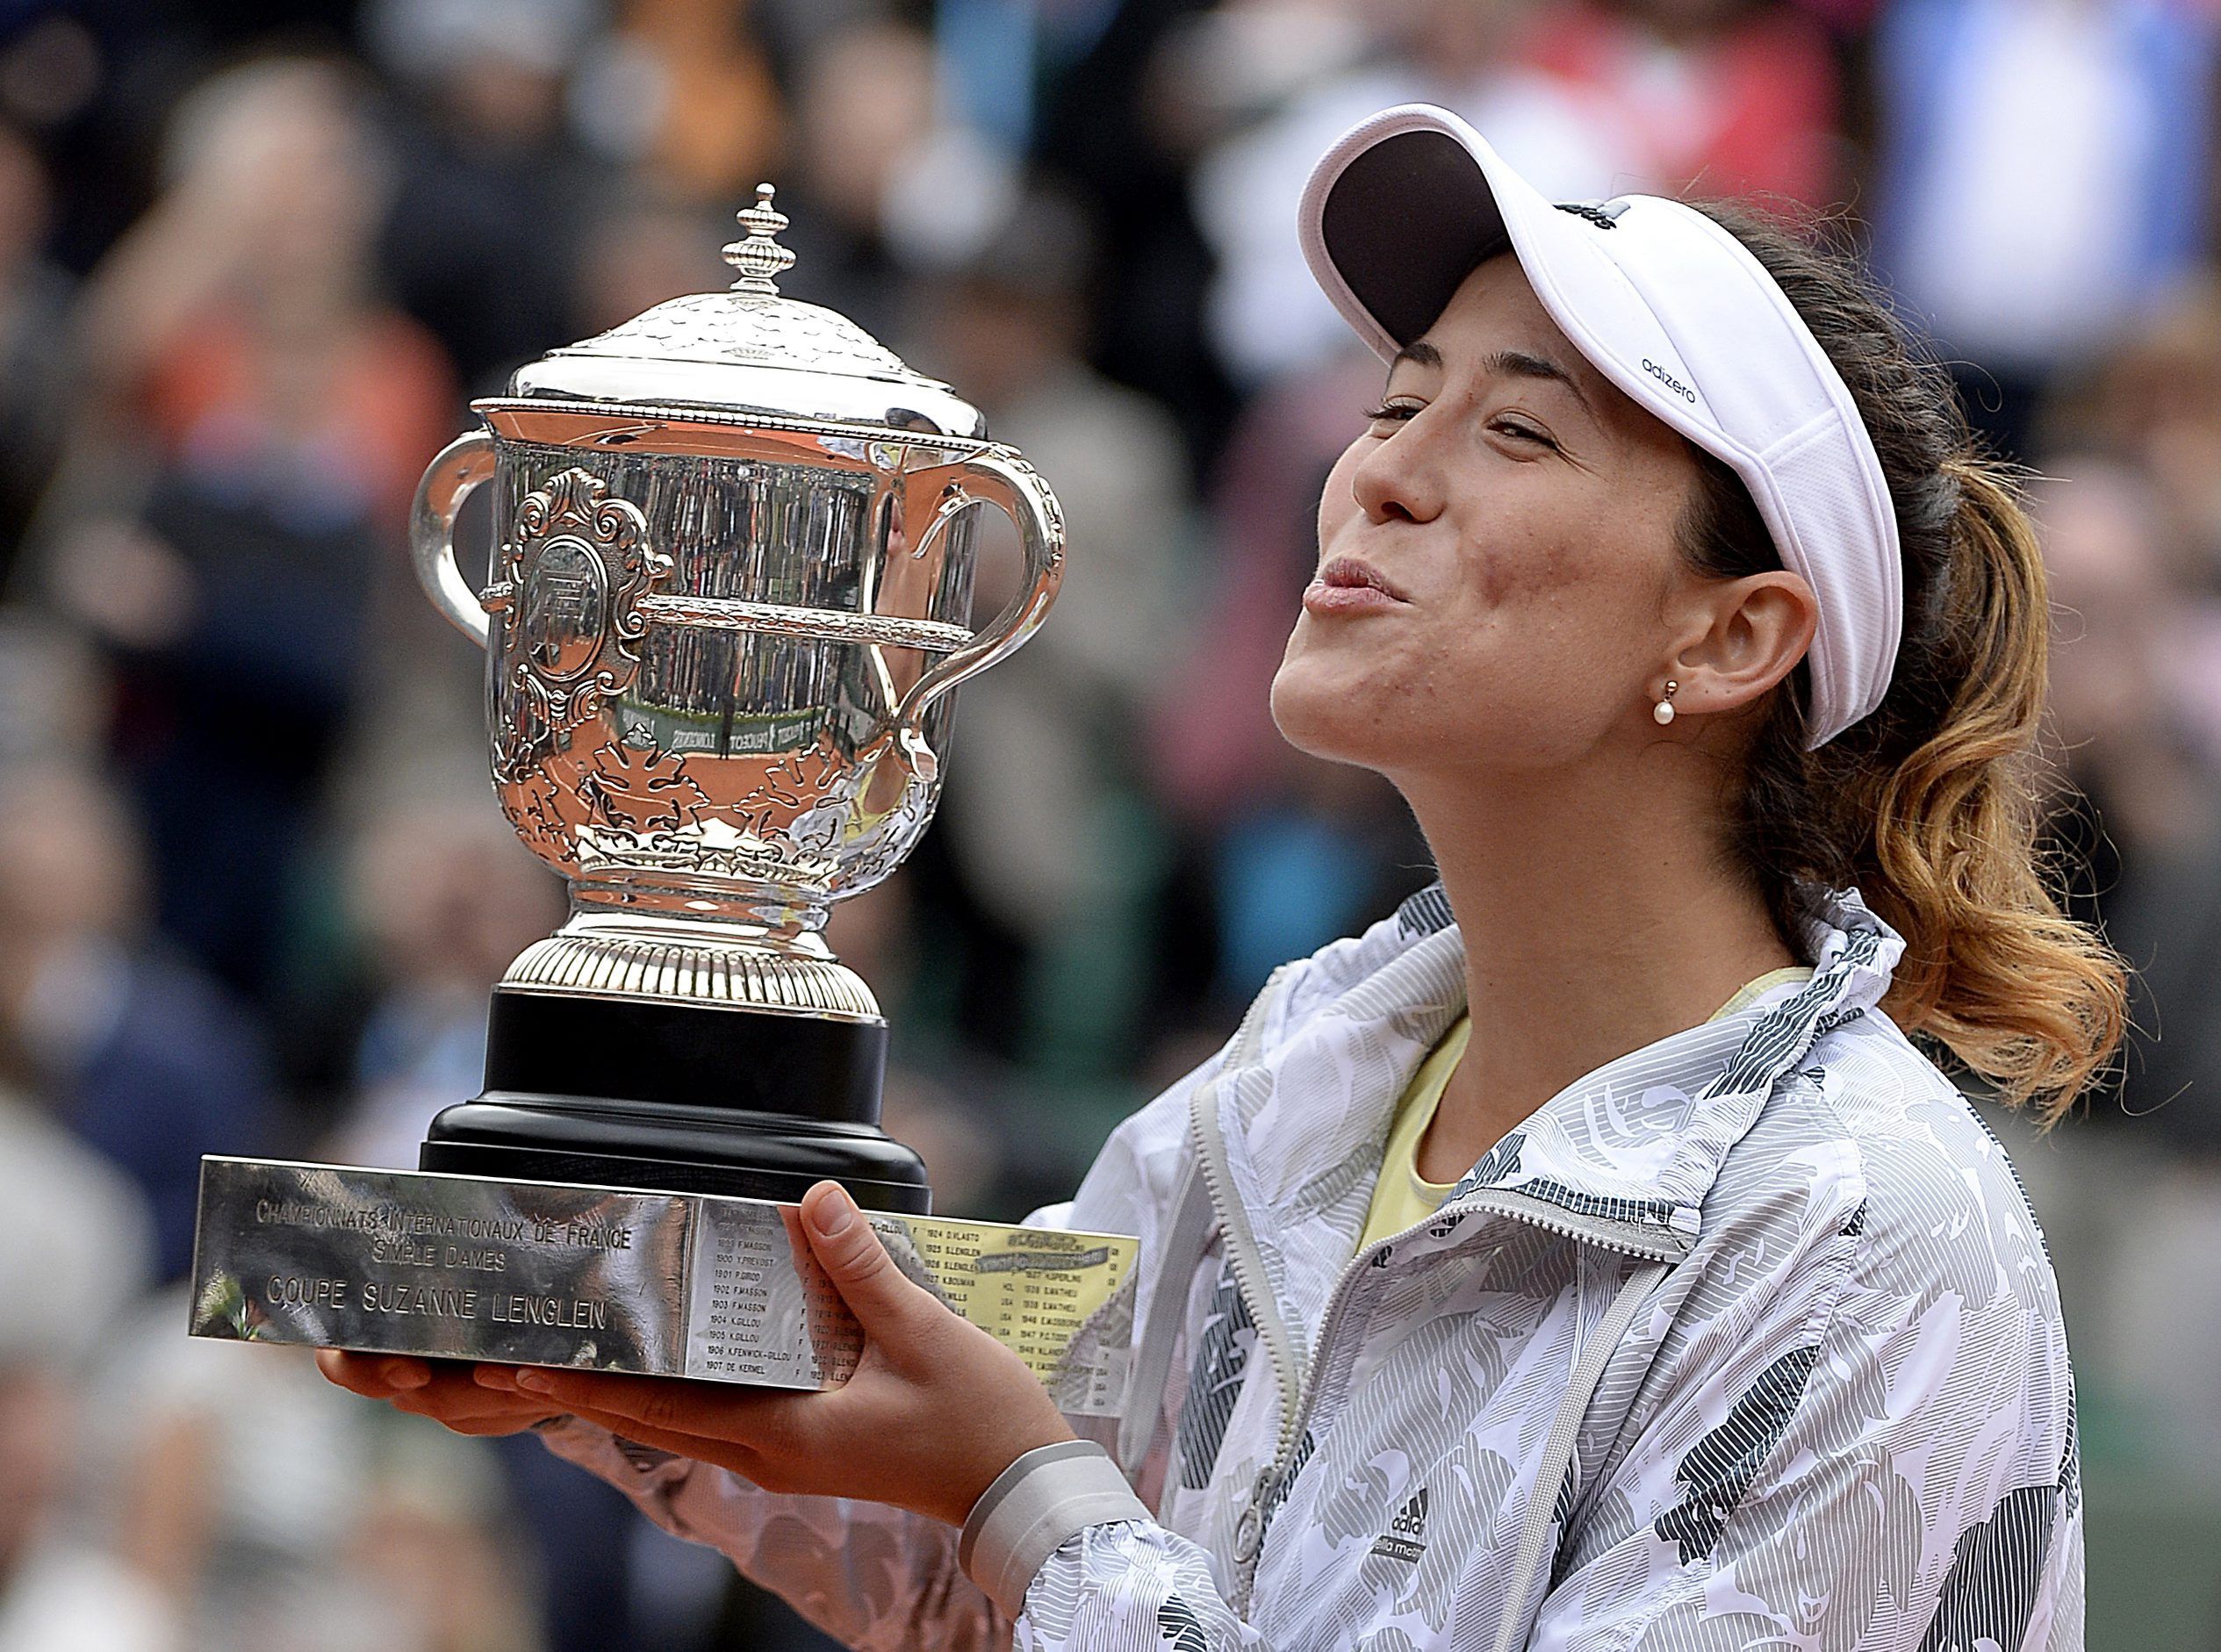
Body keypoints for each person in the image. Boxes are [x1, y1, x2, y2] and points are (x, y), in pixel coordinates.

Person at [320, 104, 2124, 1650]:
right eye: (1395, 400)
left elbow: (1030, 1515)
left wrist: (1024, 1492)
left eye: (1515, 430)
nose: (1376, 477)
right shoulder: (1296, 1077)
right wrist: (591, 1360)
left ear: (1732, 634)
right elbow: (968, 1554)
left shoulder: (1868, 1235)